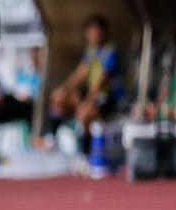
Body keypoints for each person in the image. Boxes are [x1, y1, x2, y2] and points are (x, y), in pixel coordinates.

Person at [47, 14, 125, 153]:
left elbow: (100, 83)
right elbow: (78, 75)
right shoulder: (90, 51)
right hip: (93, 95)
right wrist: (62, 89)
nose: (92, 35)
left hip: (108, 98)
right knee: (58, 98)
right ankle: (53, 141)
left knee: (85, 113)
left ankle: (86, 154)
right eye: (89, 32)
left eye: (95, 31)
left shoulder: (110, 52)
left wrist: (87, 102)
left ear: (103, 32)